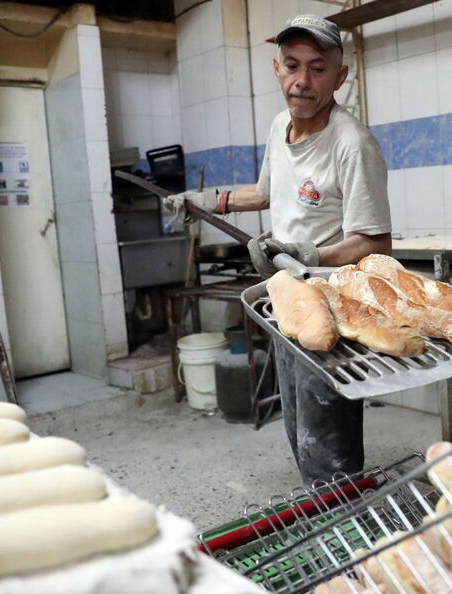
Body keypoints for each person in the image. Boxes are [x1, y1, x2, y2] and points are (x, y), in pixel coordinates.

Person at [165, 14, 392, 484]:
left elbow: (375, 241)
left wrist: (310, 255)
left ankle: (341, 514)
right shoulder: (278, 126)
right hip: (285, 294)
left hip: (332, 306)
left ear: (340, 76)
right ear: (277, 68)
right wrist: (210, 201)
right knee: (298, 420)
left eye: (317, 68)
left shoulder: (352, 144)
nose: (302, 82)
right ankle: (321, 507)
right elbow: (268, 192)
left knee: (326, 430)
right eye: (292, 66)